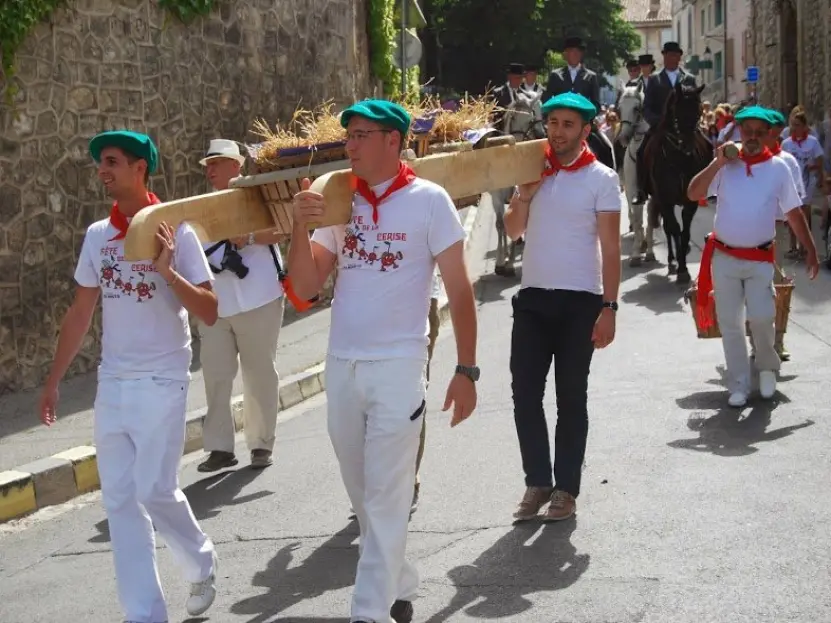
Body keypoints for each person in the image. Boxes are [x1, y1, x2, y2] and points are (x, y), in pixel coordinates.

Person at [288, 99, 478, 623]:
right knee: (364, 493)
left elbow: (460, 292)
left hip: (400, 363)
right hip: (343, 363)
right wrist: (299, 228)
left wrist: (466, 370)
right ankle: (399, 578)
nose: (348, 144)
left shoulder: (430, 201)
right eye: (347, 135)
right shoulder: (337, 201)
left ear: (393, 141)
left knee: (390, 491)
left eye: (360, 135)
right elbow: (304, 288)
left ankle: (367, 611)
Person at [39, 130, 219, 622]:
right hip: (114, 381)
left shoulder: (175, 231)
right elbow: (80, 311)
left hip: (163, 377)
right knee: (120, 500)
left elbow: (209, 309)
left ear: (141, 168)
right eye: (100, 162)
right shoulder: (98, 236)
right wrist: (54, 379)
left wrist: (167, 271)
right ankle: (145, 614)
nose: (103, 170)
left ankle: (201, 560)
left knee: (153, 489)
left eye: (113, 161)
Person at [503, 93, 622, 522]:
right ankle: (537, 481)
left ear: (585, 130)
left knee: (571, 396)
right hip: (533, 299)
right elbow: (514, 231)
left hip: (581, 302)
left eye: (568, 124)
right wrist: (525, 194)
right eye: (552, 122)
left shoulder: (602, 179)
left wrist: (609, 307)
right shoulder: (533, 171)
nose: (557, 131)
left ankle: (566, 489)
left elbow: (610, 249)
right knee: (524, 395)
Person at [687, 107, 819, 408]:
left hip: (760, 258)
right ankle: (739, 383)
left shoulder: (778, 168)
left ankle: (768, 366)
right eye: (748, 132)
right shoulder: (726, 165)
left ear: (770, 135)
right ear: (739, 133)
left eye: (761, 133)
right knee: (730, 322)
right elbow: (693, 191)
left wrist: (810, 250)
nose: (753, 138)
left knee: (762, 317)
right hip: (724, 257)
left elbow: (794, 213)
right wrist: (716, 162)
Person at [195, 139, 290, 472]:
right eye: (208, 165)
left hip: (259, 296)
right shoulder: (201, 205)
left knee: (259, 373)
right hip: (216, 301)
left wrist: (246, 237)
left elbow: (281, 228)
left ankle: (261, 445)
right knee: (216, 375)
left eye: (217, 163)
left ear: (236, 165)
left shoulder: (258, 194)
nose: (211, 170)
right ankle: (220, 448)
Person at [633, 42, 698, 204]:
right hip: (661, 128)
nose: (672, 58)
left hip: (685, 127)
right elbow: (647, 106)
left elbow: (696, 102)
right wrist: (656, 122)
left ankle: (709, 185)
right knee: (641, 152)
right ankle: (641, 190)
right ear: (664, 57)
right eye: (669, 55)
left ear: (679, 57)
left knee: (706, 146)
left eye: (675, 55)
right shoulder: (655, 80)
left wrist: (694, 121)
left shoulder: (689, 79)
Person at [542, 37, 615, 170]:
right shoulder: (555, 76)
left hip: (584, 123)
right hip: (559, 123)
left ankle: (610, 173)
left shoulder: (591, 76)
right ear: (565, 55)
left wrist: (586, 117)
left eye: (577, 52)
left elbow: (596, 104)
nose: (574, 55)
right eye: (571, 52)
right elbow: (547, 100)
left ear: (581, 55)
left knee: (606, 146)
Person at [781, 106, 828, 259]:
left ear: (804, 126)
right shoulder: (786, 144)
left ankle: (804, 247)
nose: (793, 128)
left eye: (797, 125)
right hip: (791, 182)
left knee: (804, 214)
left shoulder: (813, 142)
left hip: (808, 182)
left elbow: (820, 160)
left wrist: (815, 170)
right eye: (792, 125)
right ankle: (793, 246)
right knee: (791, 214)